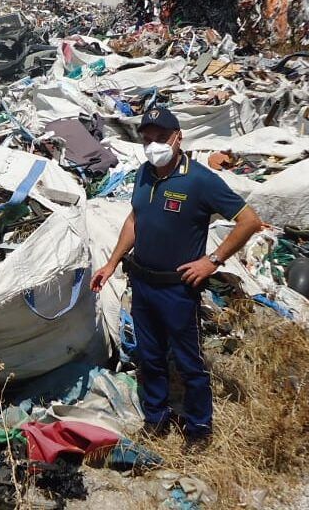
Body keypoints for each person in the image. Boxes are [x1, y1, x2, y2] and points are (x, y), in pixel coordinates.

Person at [91, 107, 261, 446]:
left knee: (188, 362)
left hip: (178, 289)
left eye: (161, 137)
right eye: (147, 139)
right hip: (143, 283)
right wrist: (111, 264)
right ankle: (156, 419)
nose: (153, 145)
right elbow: (134, 220)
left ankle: (199, 430)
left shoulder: (199, 180)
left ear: (178, 138)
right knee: (150, 356)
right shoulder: (144, 173)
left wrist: (212, 260)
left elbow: (249, 221)